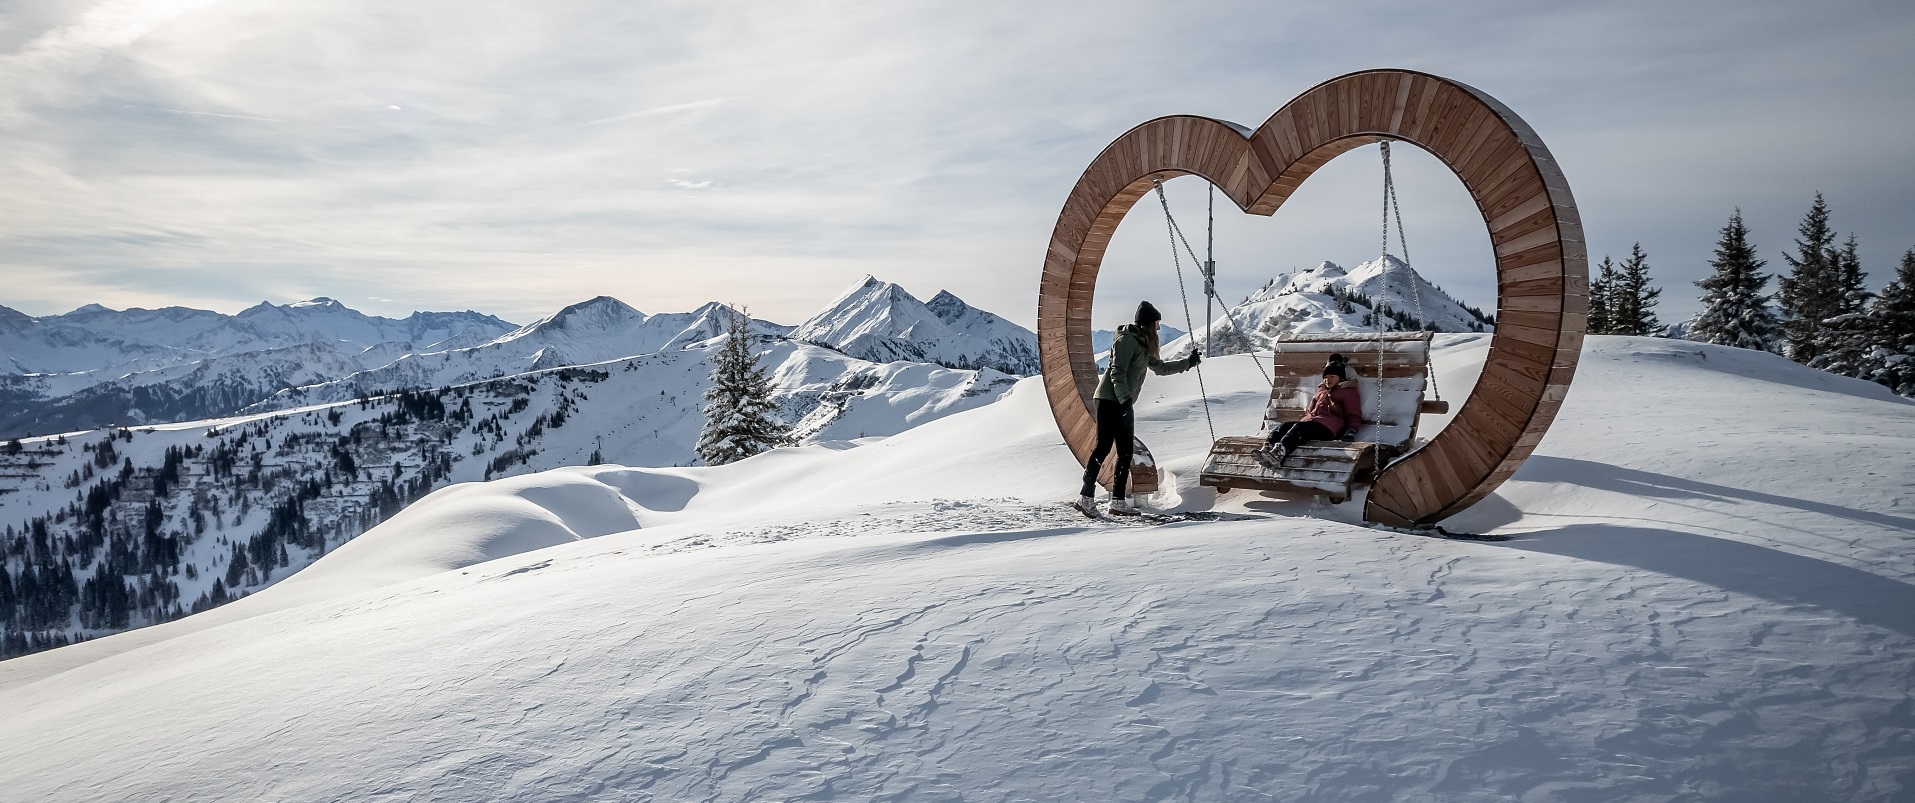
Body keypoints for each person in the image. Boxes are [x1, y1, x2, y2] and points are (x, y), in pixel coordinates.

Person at [1075, 301, 1199, 517]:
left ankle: (1118, 501)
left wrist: (1188, 363)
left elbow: (1160, 368)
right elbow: (1117, 372)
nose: (1158, 328)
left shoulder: (1142, 345)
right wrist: (1124, 401)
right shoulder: (1126, 341)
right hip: (1109, 400)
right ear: (1148, 325)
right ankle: (1085, 497)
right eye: (1156, 324)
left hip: (1122, 402)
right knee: (1103, 448)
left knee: (1125, 452)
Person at [1256, 354, 1362, 469]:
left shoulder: (1347, 391)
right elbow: (1310, 411)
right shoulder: (1321, 391)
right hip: (1313, 424)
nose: (1328, 380)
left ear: (1341, 378)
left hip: (1329, 428)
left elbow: (1354, 414)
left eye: (1332, 376)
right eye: (1325, 377)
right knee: (1285, 426)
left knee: (1300, 428)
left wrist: (1351, 431)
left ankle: (1279, 453)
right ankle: (1267, 448)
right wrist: (1304, 420)